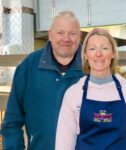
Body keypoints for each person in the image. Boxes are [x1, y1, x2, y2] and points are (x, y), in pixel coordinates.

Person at [55, 28, 126, 150]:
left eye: (104, 48)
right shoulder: (73, 93)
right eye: (92, 48)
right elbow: (64, 143)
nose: (98, 54)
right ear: (85, 55)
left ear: (113, 53)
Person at [1, 10, 83, 150]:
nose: (66, 38)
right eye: (60, 32)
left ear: (80, 36)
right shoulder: (29, 66)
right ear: (50, 35)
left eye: (72, 33)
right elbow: (12, 122)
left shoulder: (92, 66)